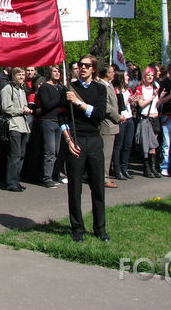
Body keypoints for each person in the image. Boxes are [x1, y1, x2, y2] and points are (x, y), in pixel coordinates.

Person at [63, 55, 109, 242]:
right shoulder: (70, 88)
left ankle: (100, 228)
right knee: (74, 187)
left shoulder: (100, 89)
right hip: (76, 139)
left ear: (93, 69)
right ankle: (77, 228)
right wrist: (68, 140)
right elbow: (62, 118)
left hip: (94, 139)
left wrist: (79, 103)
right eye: (80, 65)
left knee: (98, 186)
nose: (82, 68)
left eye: (86, 66)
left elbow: (98, 114)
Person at [0, 68, 33, 192]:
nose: (21, 77)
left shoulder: (21, 89)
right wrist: (21, 110)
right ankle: (11, 182)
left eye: (23, 74)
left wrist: (26, 109)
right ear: (13, 75)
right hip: (14, 125)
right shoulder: (8, 89)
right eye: (19, 74)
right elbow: (6, 108)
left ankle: (16, 180)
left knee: (21, 154)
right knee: (15, 155)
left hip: (23, 125)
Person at [37, 65, 67, 188]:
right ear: (50, 73)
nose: (57, 73)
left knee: (57, 151)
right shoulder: (45, 87)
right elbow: (47, 104)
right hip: (48, 121)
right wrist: (60, 99)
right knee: (49, 150)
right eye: (54, 71)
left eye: (58, 71)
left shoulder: (60, 87)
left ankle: (55, 174)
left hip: (59, 121)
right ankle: (46, 177)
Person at [98, 64, 123, 188]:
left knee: (109, 152)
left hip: (112, 123)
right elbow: (107, 107)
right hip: (107, 124)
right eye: (112, 72)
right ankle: (103, 178)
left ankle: (105, 175)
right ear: (106, 73)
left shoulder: (109, 85)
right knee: (105, 153)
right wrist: (118, 117)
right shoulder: (102, 86)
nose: (114, 74)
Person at [134, 67, 161, 178]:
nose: (150, 77)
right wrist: (152, 97)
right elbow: (141, 104)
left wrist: (161, 98)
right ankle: (146, 168)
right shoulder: (140, 88)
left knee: (153, 145)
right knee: (146, 144)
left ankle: (153, 167)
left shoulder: (155, 88)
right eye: (148, 75)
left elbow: (156, 105)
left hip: (155, 117)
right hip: (146, 118)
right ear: (144, 77)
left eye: (152, 75)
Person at [111, 70, 138, 180]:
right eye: (126, 75)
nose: (128, 77)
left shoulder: (128, 90)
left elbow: (130, 105)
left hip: (129, 118)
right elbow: (117, 106)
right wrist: (127, 101)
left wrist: (133, 101)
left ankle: (125, 168)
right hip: (121, 119)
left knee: (127, 145)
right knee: (119, 145)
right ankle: (117, 170)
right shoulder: (116, 90)